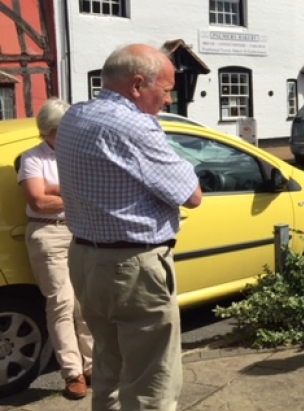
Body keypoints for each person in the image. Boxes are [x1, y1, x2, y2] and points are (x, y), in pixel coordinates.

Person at [55, 44, 202, 411]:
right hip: (133, 266)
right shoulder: (134, 125)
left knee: (109, 366)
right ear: (137, 84)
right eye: (165, 90)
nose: (168, 101)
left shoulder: (74, 116)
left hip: (85, 259)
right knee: (152, 380)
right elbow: (191, 194)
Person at [17, 98, 94, 400]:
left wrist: (55, 190)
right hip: (48, 232)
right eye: (64, 128)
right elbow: (38, 201)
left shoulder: (79, 155)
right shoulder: (32, 158)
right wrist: (74, 194)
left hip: (80, 231)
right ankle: (73, 373)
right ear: (49, 130)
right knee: (61, 303)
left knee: (86, 303)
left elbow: (96, 189)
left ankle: (93, 366)